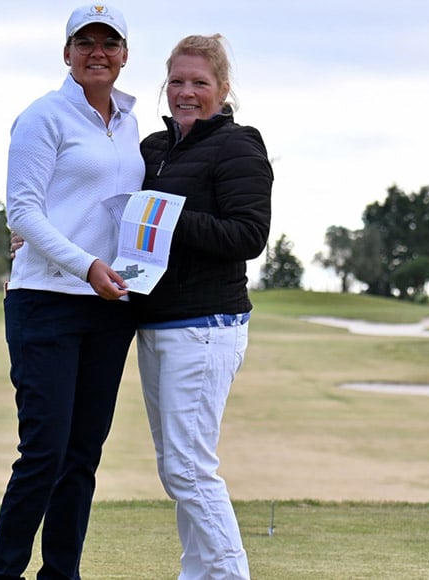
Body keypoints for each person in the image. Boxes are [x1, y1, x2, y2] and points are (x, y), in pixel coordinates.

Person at [0, 4, 143, 580]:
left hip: (109, 311)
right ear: (67, 52)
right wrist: (86, 265)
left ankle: (62, 574)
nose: (97, 52)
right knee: (44, 454)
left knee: (82, 457)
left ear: (125, 54)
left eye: (109, 42)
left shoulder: (129, 125)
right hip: (47, 304)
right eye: (85, 42)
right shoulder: (43, 117)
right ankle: (3, 573)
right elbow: (22, 210)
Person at [133, 34, 272, 580]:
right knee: (177, 472)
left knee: (190, 469)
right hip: (157, 325)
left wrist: (165, 216)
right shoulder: (152, 149)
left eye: (199, 83)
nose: (186, 93)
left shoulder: (238, 146)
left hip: (207, 326)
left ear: (223, 88)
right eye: (176, 82)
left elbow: (248, 235)